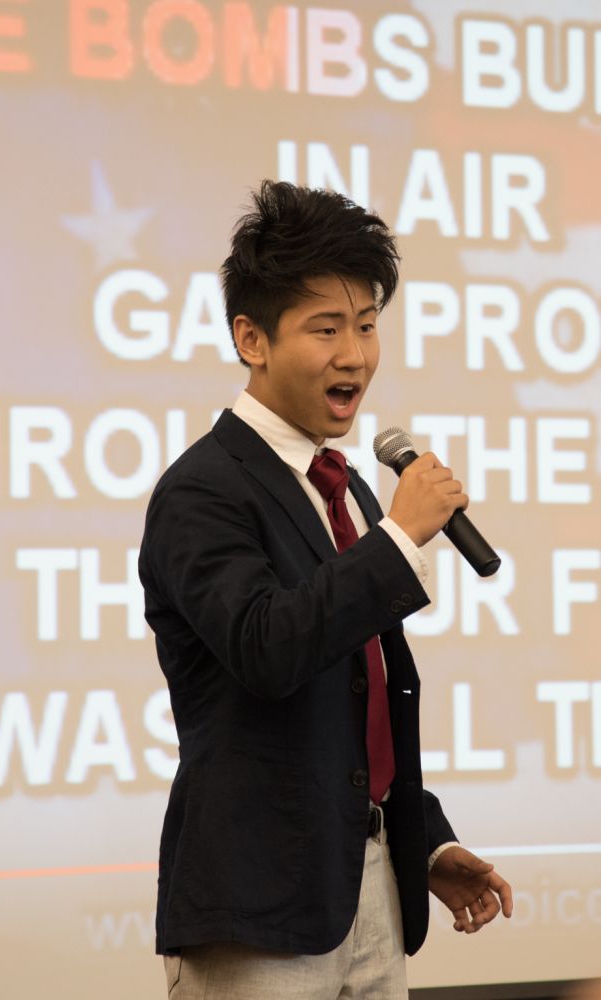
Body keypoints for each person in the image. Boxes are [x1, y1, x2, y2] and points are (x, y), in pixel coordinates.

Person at [138, 180, 513, 999]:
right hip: (259, 910)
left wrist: (422, 841)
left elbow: (355, 703)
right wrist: (398, 539)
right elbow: (266, 649)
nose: (354, 355)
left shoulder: (344, 487)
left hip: (371, 893)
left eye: (367, 325)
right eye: (326, 328)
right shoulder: (203, 489)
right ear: (251, 338)